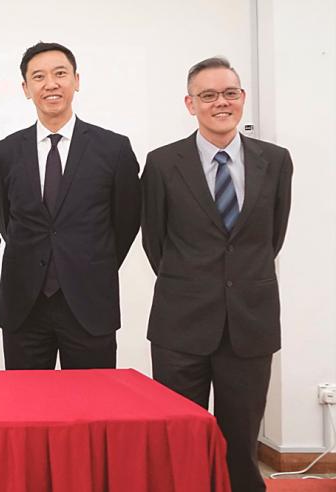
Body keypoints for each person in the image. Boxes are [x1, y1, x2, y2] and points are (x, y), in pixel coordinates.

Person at [142, 57, 292, 492]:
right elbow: (156, 242)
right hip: (180, 325)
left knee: (242, 445)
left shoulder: (276, 161)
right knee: (180, 440)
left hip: (250, 323)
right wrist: (192, 283)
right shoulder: (162, 163)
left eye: (229, 93)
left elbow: (270, 238)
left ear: (242, 98)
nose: (220, 103)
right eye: (207, 96)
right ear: (190, 104)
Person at [0, 42, 141, 370]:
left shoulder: (113, 149)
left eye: (60, 74)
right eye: (38, 77)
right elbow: (4, 219)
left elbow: (126, 221)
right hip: (24, 306)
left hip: (89, 303)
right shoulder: (4, 152)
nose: (51, 84)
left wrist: (90, 261)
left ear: (76, 80)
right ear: (26, 89)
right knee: (25, 410)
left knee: (92, 411)